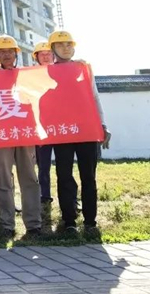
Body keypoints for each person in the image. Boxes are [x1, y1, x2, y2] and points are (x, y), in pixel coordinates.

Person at [49, 30, 111, 234]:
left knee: (88, 176)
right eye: (60, 45)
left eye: (69, 44)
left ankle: (90, 221)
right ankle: (69, 221)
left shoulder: (83, 69)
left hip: (86, 130)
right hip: (62, 132)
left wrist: (103, 124)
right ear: (53, 49)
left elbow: (95, 97)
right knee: (64, 175)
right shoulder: (47, 72)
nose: (65, 48)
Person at [0, 35, 42, 238]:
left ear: (16, 54)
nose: (7, 55)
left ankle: (33, 225)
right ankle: (6, 225)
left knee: (29, 178)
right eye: (3, 52)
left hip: (25, 134)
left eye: (11, 51)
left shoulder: (26, 77)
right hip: (1, 135)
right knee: (3, 178)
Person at [32, 41, 55, 205]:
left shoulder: (63, 72)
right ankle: (45, 195)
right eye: (42, 54)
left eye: (48, 53)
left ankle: (70, 198)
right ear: (37, 57)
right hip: (41, 126)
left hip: (61, 126)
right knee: (43, 165)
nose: (46, 57)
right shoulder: (31, 75)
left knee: (65, 165)